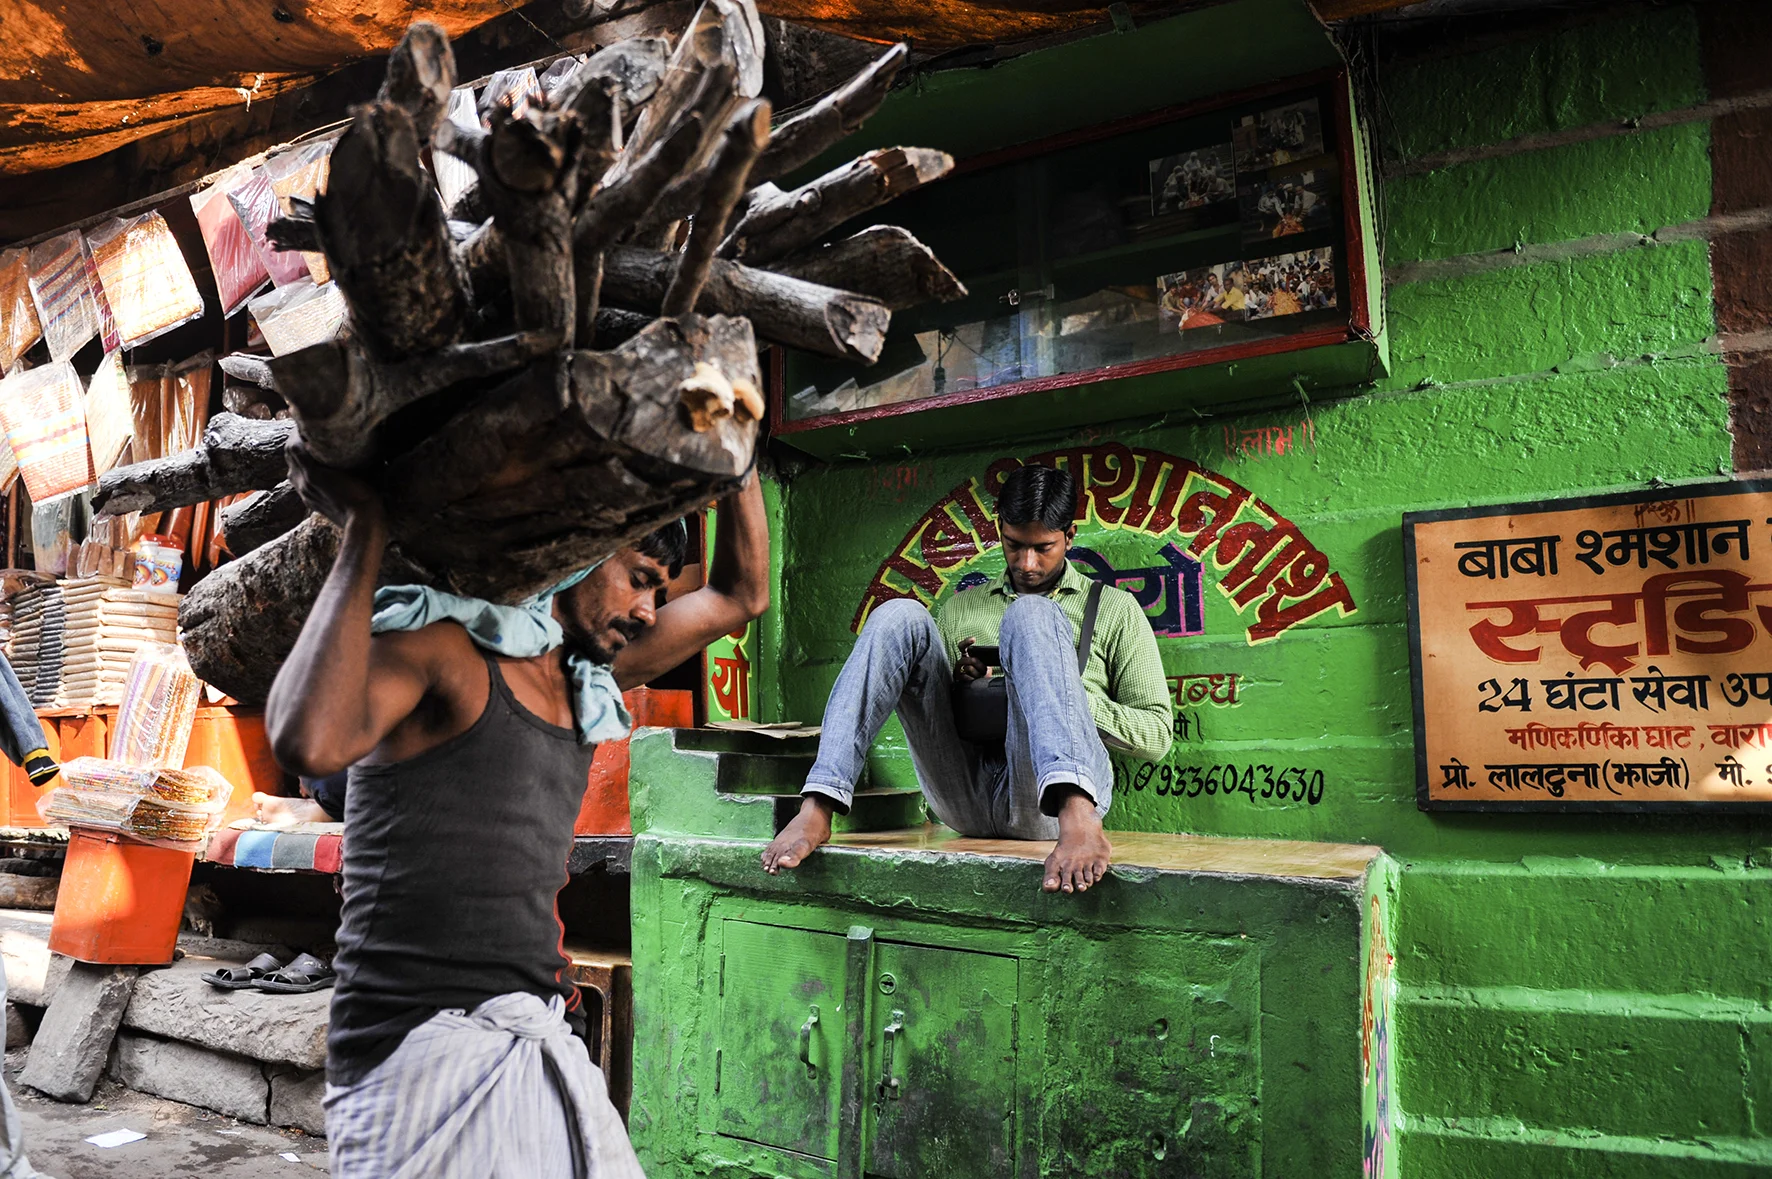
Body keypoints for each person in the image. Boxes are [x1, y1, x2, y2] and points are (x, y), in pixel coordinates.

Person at [265, 447, 770, 1179]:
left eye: (660, 591)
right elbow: (305, 738)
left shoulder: (586, 677)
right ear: (576, 556)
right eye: (638, 579)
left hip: (533, 1034)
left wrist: (740, 454)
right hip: (415, 1052)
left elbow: (742, 593)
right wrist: (363, 532)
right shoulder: (446, 648)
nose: (648, 612)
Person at [761, 464, 1172, 894]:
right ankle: (819, 804)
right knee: (898, 614)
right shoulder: (961, 609)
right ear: (999, 529)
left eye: (1044, 548)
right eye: (1014, 546)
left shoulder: (1115, 610)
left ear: (1069, 536)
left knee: (1032, 613)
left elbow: (1157, 736)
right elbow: (934, 707)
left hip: (1046, 809)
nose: (1027, 563)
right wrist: (965, 688)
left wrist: (1060, 690)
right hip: (964, 799)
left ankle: (1078, 818)